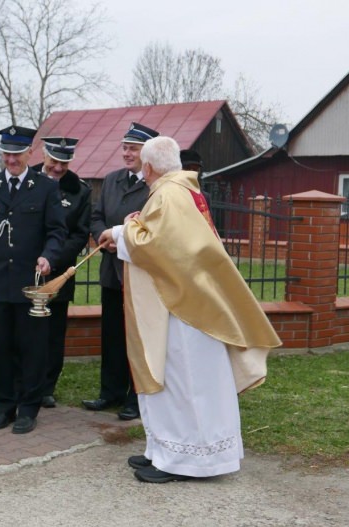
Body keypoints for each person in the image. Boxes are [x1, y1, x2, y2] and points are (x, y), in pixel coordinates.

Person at [101, 135, 281, 483]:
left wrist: (118, 231)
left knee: (185, 384)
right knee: (180, 383)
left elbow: (156, 245)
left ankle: (184, 462)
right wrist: (130, 227)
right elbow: (164, 237)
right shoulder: (182, 190)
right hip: (190, 302)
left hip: (184, 312)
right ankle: (162, 452)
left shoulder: (169, 194)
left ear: (149, 167)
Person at [0, 125, 67, 434]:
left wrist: (49, 255)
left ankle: (28, 408)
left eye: (17, 154)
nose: (11, 160)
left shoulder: (45, 187)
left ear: (29, 154)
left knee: (32, 348)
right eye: (6, 154)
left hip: (30, 284)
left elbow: (57, 231)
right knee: (0, 348)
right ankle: (4, 406)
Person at [84, 122, 158, 420]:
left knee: (136, 338)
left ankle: (135, 396)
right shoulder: (112, 180)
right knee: (111, 334)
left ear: (147, 152)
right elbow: (96, 216)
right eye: (124, 147)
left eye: (133, 148)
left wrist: (121, 238)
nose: (127, 153)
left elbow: (153, 228)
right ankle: (110, 392)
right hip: (111, 272)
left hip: (138, 273)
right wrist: (105, 234)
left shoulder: (156, 185)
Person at [31, 136, 91, 408]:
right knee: (25, 330)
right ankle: (23, 380)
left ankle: (46, 387)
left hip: (58, 273)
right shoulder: (26, 178)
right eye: (54, 161)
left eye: (64, 163)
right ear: (44, 156)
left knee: (53, 334)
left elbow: (79, 235)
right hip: (25, 269)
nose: (58, 168)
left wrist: (52, 260)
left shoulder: (79, 190)